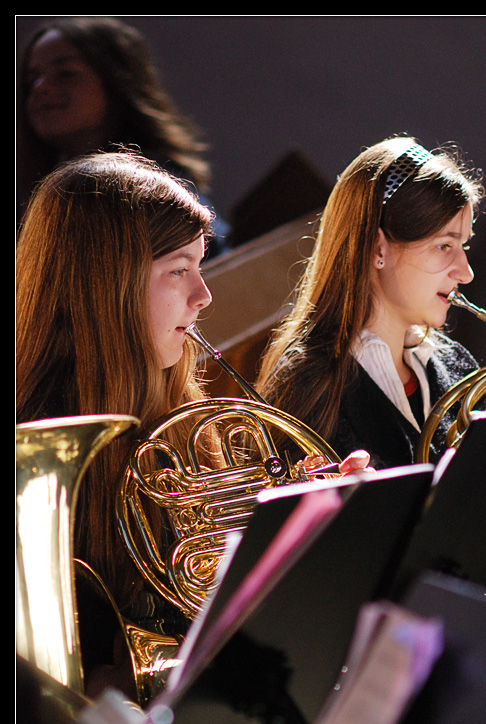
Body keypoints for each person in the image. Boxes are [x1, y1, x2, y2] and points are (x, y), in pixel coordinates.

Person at [16, 149, 370, 691]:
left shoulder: (183, 427)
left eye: (200, 267)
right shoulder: (34, 444)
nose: (204, 296)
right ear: (106, 283)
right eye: (179, 270)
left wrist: (304, 527)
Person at [256, 135, 486, 469]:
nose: (466, 273)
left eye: (463, 246)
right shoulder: (307, 388)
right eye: (444, 246)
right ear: (378, 249)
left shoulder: (459, 367)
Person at [17, 15, 229, 256]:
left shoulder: (154, 187)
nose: (41, 88)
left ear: (116, 82)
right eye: (31, 80)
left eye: (65, 73)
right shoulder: (40, 203)